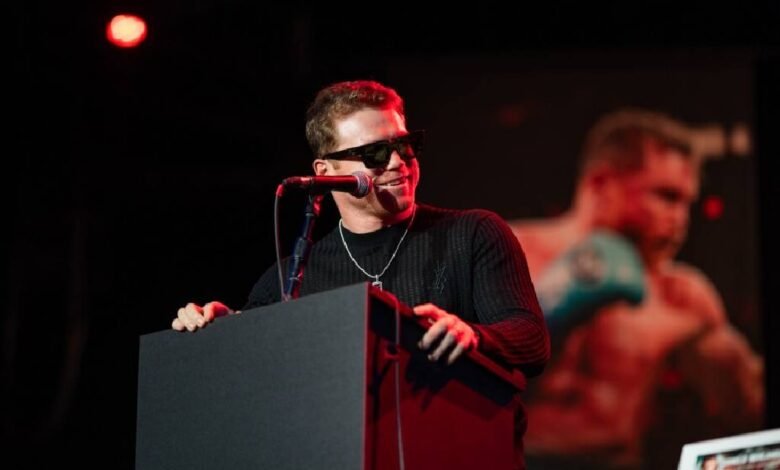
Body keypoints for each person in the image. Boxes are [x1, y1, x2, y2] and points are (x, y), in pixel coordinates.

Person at [171, 80, 551, 469]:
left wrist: (474, 335)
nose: (398, 162)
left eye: (405, 145)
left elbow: (531, 339)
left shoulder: (472, 234)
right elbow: (257, 388)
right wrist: (225, 335)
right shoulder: (292, 276)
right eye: (375, 153)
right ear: (326, 171)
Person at [506, 109, 764, 469]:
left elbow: (747, 413)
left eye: (687, 203)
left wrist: (735, 375)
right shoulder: (507, 250)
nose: (681, 219)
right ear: (601, 184)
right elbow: (442, 380)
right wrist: (545, 306)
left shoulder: (681, 295)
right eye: (666, 196)